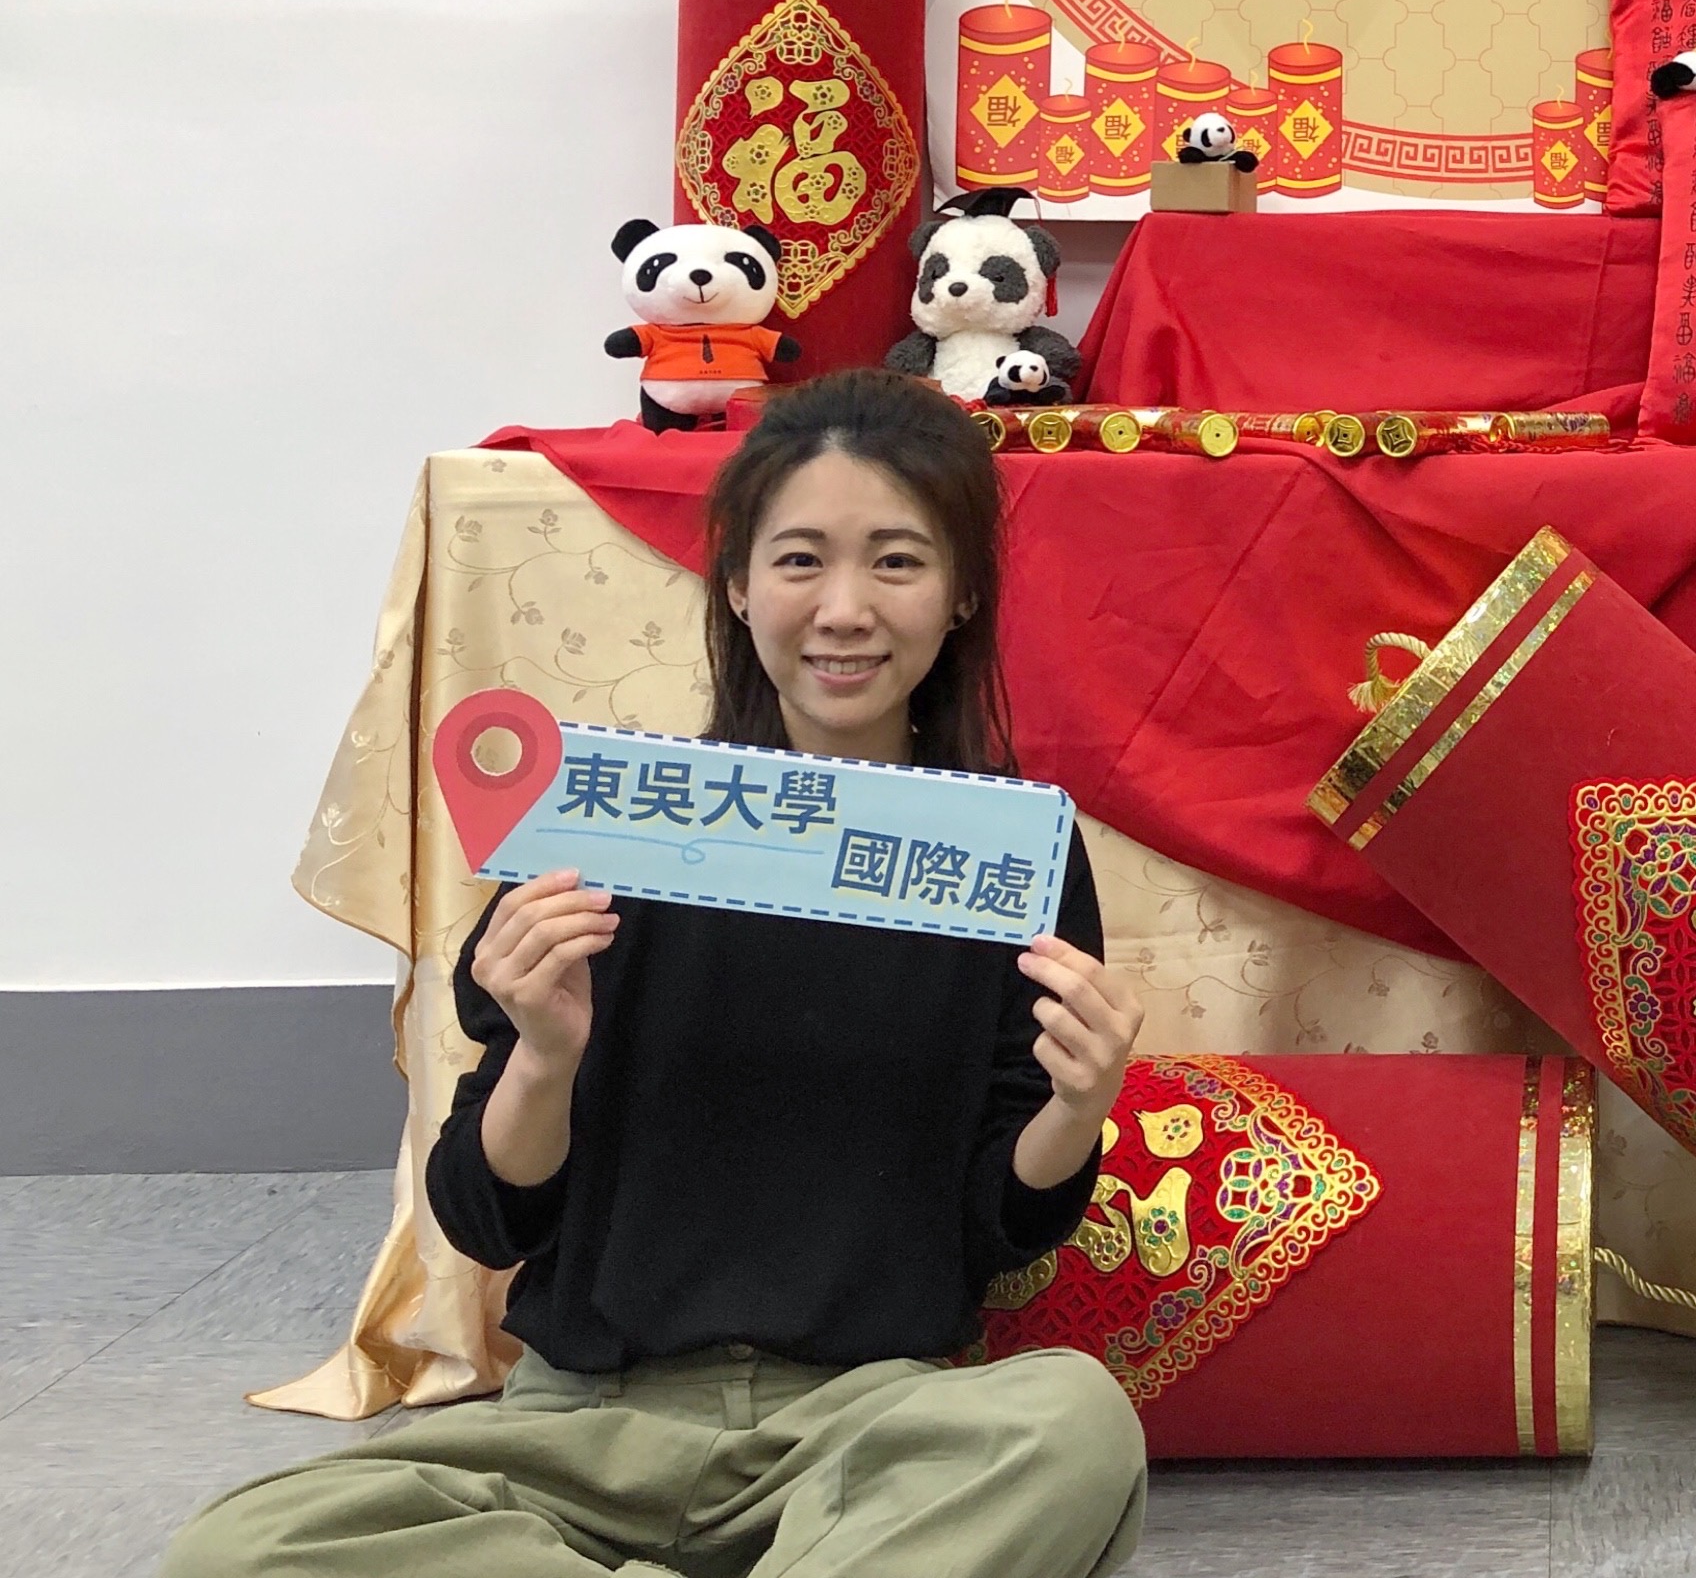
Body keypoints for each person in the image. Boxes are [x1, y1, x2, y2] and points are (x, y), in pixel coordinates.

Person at [164, 369, 1149, 1577]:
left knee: (1069, 1420)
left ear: (960, 595)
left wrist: (1076, 1108)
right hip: (585, 1428)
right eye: (799, 561)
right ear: (736, 584)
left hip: (862, 1425)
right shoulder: (606, 831)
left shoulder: (1007, 855)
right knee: (248, 1544)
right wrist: (544, 1056)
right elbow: (483, 1216)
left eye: (896, 562)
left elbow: (1000, 1229)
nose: (844, 608)